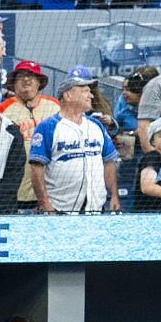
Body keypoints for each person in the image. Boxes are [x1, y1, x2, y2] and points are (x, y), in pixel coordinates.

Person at [28, 68, 120, 215]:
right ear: (68, 95)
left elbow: (108, 161)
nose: (90, 95)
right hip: (60, 210)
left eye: (90, 91)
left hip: (95, 210)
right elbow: (36, 169)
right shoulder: (48, 127)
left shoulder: (96, 125)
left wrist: (114, 195)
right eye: (85, 91)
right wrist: (45, 203)